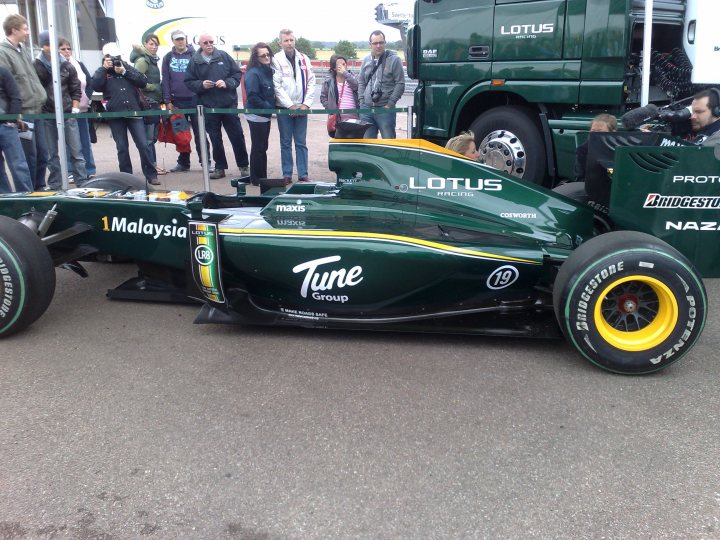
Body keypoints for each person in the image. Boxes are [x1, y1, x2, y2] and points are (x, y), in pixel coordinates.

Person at [185, 32, 249, 180]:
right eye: (205, 42)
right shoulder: (194, 61)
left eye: (211, 42)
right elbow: (188, 82)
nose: (209, 45)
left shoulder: (224, 56)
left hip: (228, 105)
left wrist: (227, 83)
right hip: (208, 106)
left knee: (237, 136)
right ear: (200, 45)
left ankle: (244, 166)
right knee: (215, 139)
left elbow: (237, 75)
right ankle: (220, 167)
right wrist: (201, 85)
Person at [92, 46, 159, 185]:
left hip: (134, 111)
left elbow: (142, 81)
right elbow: (96, 86)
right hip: (115, 114)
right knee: (122, 147)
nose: (115, 60)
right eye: (111, 57)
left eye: (117, 57)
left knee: (143, 144)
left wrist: (124, 72)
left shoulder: (127, 67)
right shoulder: (103, 71)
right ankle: (126, 177)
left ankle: (151, 174)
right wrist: (104, 68)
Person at [34, 31, 88, 190]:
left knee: (76, 151)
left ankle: (82, 183)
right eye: (48, 44)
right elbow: (36, 89)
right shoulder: (36, 65)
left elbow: (75, 88)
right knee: (52, 154)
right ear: (43, 46)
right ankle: (55, 184)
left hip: (67, 111)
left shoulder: (67, 65)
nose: (53, 48)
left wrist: (75, 108)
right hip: (47, 113)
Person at [0, 14, 48, 190]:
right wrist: (15, 113)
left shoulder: (24, 50)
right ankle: (30, 193)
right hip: (23, 112)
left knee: (43, 154)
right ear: (14, 30)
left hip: (37, 109)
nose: (28, 32)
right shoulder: (3, 52)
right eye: (25, 28)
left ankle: (38, 188)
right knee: (29, 156)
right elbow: (8, 86)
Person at [161, 29, 210, 172]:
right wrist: (167, 100)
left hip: (196, 100)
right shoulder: (168, 57)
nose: (180, 41)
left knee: (200, 133)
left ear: (186, 39)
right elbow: (166, 80)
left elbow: (203, 77)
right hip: (176, 102)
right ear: (173, 41)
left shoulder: (196, 55)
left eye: (182, 39)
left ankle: (206, 163)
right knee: (181, 134)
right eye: (177, 39)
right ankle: (183, 163)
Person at [272, 28, 315, 183]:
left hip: (302, 107)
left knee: (301, 142)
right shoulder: (276, 59)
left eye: (291, 40)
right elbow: (276, 86)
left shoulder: (304, 58)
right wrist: (289, 105)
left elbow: (311, 82)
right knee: (285, 142)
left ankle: (303, 174)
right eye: (286, 40)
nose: (289, 43)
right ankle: (287, 174)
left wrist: (306, 104)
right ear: (280, 43)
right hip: (285, 108)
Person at [58, 37, 96, 179]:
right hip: (66, 110)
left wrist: (88, 96)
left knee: (85, 140)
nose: (67, 51)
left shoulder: (78, 63)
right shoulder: (56, 66)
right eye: (63, 49)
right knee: (69, 142)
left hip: (82, 108)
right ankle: (70, 171)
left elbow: (89, 81)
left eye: (69, 48)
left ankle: (89, 170)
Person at [357, 30, 405, 139]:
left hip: (385, 110)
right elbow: (361, 82)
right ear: (370, 44)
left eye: (381, 42)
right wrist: (361, 102)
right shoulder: (366, 60)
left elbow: (400, 83)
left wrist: (390, 104)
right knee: (368, 145)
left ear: (385, 43)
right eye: (375, 43)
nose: (378, 46)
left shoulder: (394, 60)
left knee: (389, 145)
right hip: (366, 110)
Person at [131, 33, 165, 175]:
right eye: (151, 43)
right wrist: (153, 87)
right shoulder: (143, 61)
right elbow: (136, 80)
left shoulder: (151, 59)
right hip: (147, 103)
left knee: (152, 137)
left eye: (156, 44)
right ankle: (152, 166)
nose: (154, 46)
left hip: (154, 102)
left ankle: (153, 164)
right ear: (145, 44)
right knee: (149, 139)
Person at [243, 42, 275, 186]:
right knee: (258, 147)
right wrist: (268, 107)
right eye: (263, 55)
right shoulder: (253, 73)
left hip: (265, 115)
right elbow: (253, 96)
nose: (267, 57)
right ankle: (256, 178)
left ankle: (262, 176)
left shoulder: (268, 70)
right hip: (257, 115)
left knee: (263, 147)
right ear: (256, 57)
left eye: (268, 54)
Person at [0, 64, 32, 192]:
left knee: (18, 166)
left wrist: (11, 119)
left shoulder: (3, 71)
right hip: (7, 124)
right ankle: (5, 201)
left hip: (7, 125)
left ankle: (26, 200)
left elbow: (15, 96)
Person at [320, 54, 359, 138]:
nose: (342, 67)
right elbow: (323, 98)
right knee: (341, 146)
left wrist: (345, 73)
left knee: (355, 145)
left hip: (355, 119)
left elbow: (356, 86)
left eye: (344, 64)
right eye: (339, 65)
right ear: (334, 68)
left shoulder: (352, 77)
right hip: (339, 121)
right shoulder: (329, 81)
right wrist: (331, 108)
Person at [574, 113, 617, 182]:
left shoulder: (619, 150)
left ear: (612, 133)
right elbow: (580, 177)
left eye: (600, 132)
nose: (595, 135)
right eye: (593, 131)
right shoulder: (583, 150)